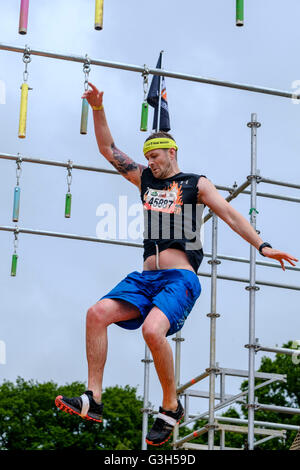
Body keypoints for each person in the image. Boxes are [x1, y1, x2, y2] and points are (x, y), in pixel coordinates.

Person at [55, 82, 298, 446]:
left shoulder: (195, 183)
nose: (149, 163)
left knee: (152, 331)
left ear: (170, 152)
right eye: (146, 158)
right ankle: (94, 398)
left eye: (154, 157)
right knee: (96, 314)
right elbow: (108, 149)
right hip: (144, 278)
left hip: (179, 278)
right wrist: (97, 108)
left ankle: (170, 406)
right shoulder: (146, 180)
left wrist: (263, 246)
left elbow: (230, 215)